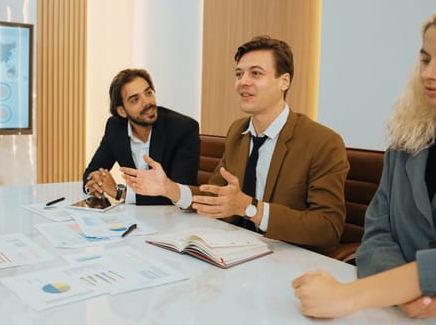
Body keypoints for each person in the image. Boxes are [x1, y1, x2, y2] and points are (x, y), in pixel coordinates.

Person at [121, 36, 349, 253]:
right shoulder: (237, 133)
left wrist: (250, 208)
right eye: (239, 74)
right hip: (234, 250)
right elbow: (217, 198)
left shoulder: (323, 142)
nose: (243, 82)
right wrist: (169, 188)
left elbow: (328, 228)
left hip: (287, 258)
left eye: (256, 73)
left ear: (284, 81)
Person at [293, 14, 436, 319]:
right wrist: (402, 295)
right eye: (425, 59)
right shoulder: (405, 141)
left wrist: (351, 296)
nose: (429, 73)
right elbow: (377, 234)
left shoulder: (320, 141)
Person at [83, 68, 199, 206]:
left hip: (172, 220)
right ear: (122, 111)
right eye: (135, 100)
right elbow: (91, 173)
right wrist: (95, 183)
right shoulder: (115, 128)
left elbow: (179, 195)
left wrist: (120, 192)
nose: (147, 102)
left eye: (148, 93)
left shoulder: (182, 129)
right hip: (135, 218)